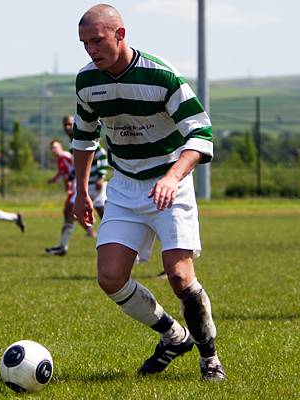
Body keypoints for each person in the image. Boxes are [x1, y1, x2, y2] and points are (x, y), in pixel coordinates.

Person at [72, 5, 226, 381]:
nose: (91, 49)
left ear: (120, 34)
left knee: (178, 276)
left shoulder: (161, 75)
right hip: (125, 186)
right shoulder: (86, 81)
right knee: (110, 278)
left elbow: (201, 133)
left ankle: (210, 359)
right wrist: (80, 192)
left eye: (98, 40)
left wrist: (173, 177)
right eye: (84, 43)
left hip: (169, 182)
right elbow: (84, 136)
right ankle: (174, 336)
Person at [45, 116, 108, 256]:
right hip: (85, 186)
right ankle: (62, 246)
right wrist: (71, 177)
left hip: (95, 186)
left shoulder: (83, 136)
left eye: (70, 124)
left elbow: (101, 154)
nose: (67, 127)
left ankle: (129, 250)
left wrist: (101, 177)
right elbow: (78, 164)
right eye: (65, 124)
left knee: (107, 216)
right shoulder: (72, 142)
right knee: (69, 211)